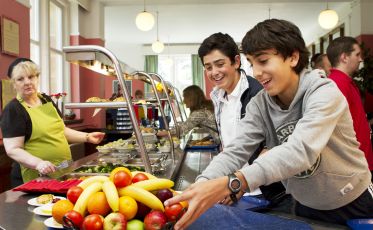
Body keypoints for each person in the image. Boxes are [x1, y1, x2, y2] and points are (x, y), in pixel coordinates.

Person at [165, 19, 373, 229]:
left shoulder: (324, 92)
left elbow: (299, 151)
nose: (256, 72)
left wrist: (233, 182)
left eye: (263, 61)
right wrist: (201, 185)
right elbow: (236, 150)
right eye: (251, 63)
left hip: (352, 202)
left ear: (293, 56)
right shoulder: (261, 103)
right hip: (305, 204)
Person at [198, 32, 287, 207]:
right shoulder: (217, 96)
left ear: (236, 61)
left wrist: (240, 184)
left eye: (219, 64)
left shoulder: (259, 93)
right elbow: (230, 146)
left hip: (264, 191)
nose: (214, 72)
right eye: (208, 67)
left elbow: (273, 146)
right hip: (235, 187)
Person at [0, 58, 105, 184]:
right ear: (13, 84)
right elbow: (13, 149)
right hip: (35, 177)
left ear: (37, 78)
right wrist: (38, 163)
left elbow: (62, 130)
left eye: (31, 77)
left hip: (62, 171)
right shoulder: (14, 109)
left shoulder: (46, 99)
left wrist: (87, 137)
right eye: (20, 79)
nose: (27, 82)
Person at [327, 37, 373, 175]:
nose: (360, 59)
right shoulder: (337, 84)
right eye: (357, 54)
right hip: (353, 164)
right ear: (344, 57)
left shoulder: (346, 82)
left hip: (360, 160)